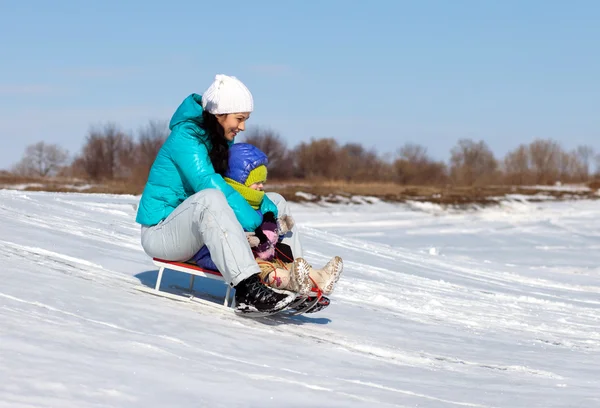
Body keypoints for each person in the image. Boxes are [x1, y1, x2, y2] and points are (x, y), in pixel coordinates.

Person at [136, 74, 302, 315]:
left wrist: (268, 212)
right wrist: (257, 222)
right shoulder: (186, 139)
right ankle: (248, 289)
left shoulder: (221, 142)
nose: (243, 126)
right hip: (162, 233)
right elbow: (210, 184)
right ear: (220, 114)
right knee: (210, 198)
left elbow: (236, 187)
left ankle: (295, 277)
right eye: (239, 118)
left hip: (195, 234)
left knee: (276, 200)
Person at [190, 142, 344, 303]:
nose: (261, 186)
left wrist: (276, 228)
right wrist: (251, 239)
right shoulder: (225, 202)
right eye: (257, 182)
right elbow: (226, 232)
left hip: (257, 252)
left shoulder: (257, 202)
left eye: (263, 181)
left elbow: (264, 226)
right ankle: (291, 283)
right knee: (263, 267)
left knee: (280, 262)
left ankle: (321, 278)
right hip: (217, 255)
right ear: (240, 180)